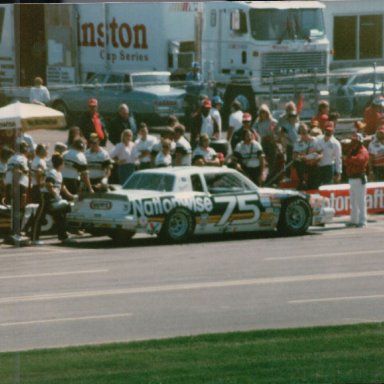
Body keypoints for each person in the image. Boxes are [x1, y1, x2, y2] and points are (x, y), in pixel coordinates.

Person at [30, 153, 75, 246]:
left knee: (60, 217)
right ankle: (34, 239)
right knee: (39, 217)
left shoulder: (59, 174)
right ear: (61, 163)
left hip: (54, 198)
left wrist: (73, 197)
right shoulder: (52, 173)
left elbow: (62, 188)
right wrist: (56, 196)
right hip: (46, 197)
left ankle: (63, 237)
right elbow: (49, 185)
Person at [4, 142, 30, 238]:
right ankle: (16, 231)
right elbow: (17, 172)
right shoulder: (22, 159)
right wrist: (15, 189)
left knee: (13, 209)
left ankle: (12, 231)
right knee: (20, 209)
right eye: (26, 147)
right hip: (18, 185)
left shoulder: (11, 158)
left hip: (10, 185)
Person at [344, 132, 369, 228]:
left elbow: (359, 160)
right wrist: (350, 159)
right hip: (352, 178)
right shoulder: (352, 151)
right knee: (353, 201)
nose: (353, 143)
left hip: (359, 178)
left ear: (360, 142)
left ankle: (363, 220)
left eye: (355, 141)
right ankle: (354, 220)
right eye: (353, 141)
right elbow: (346, 161)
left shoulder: (363, 151)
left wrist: (350, 159)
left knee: (360, 201)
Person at [252, 104, 278, 182]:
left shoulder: (272, 121)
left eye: (265, 112)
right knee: (263, 159)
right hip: (263, 141)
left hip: (271, 142)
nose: (263, 114)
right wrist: (256, 134)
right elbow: (253, 128)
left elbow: (277, 128)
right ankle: (263, 176)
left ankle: (271, 176)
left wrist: (274, 135)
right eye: (262, 112)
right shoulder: (258, 121)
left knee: (271, 160)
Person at [292, 123, 322, 190]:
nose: (304, 134)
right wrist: (302, 157)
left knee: (313, 186)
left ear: (308, 131)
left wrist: (314, 160)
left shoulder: (315, 140)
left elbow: (320, 153)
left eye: (305, 132)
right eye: (301, 132)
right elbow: (294, 156)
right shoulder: (297, 143)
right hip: (303, 165)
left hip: (314, 165)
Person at [314, 121, 342, 187]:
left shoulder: (336, 143)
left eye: (330, 130)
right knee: (316, 186)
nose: (328, 132)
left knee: (327, 187)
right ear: (324, 130)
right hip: (317, 166)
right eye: (327, 130)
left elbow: (338, 159)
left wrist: (339, 173)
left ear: (333, 131)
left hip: (328, 168)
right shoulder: (317, 139)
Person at [279, 110, 299, 178]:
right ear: (289, 118)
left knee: (298, 161)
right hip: (290, 146)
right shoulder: (286, 126)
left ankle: (297, 176)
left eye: (294, 117)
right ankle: (288, 176)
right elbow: (282, 134)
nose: (293, 118)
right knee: (289, 161)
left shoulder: (298, 125)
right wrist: (288, 139)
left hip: (298, 146)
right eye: (291, 117)